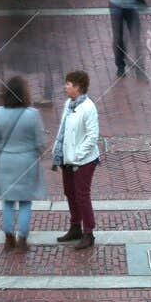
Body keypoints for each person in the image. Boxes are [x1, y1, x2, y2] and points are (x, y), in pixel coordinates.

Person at [0, 76, 47, 252]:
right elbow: (40, 142)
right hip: (27, 161)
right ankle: (22, 240)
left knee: (7, 202)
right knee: (24, 202)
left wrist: (5, 151)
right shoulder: (32, 114)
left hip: (6, 160)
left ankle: (8, 239)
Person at [50, 70, 99, 249]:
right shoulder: (68, 104)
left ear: (77, 87)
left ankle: (88, 232)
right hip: (67, 158)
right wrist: (60, 152)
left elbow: (93, 137)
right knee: (70, 192)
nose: (66, 86)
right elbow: (63, 130)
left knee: (82, 195)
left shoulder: (88, 108)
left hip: (83, 160)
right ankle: (75, 227)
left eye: (68, 84)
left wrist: (77, 155)